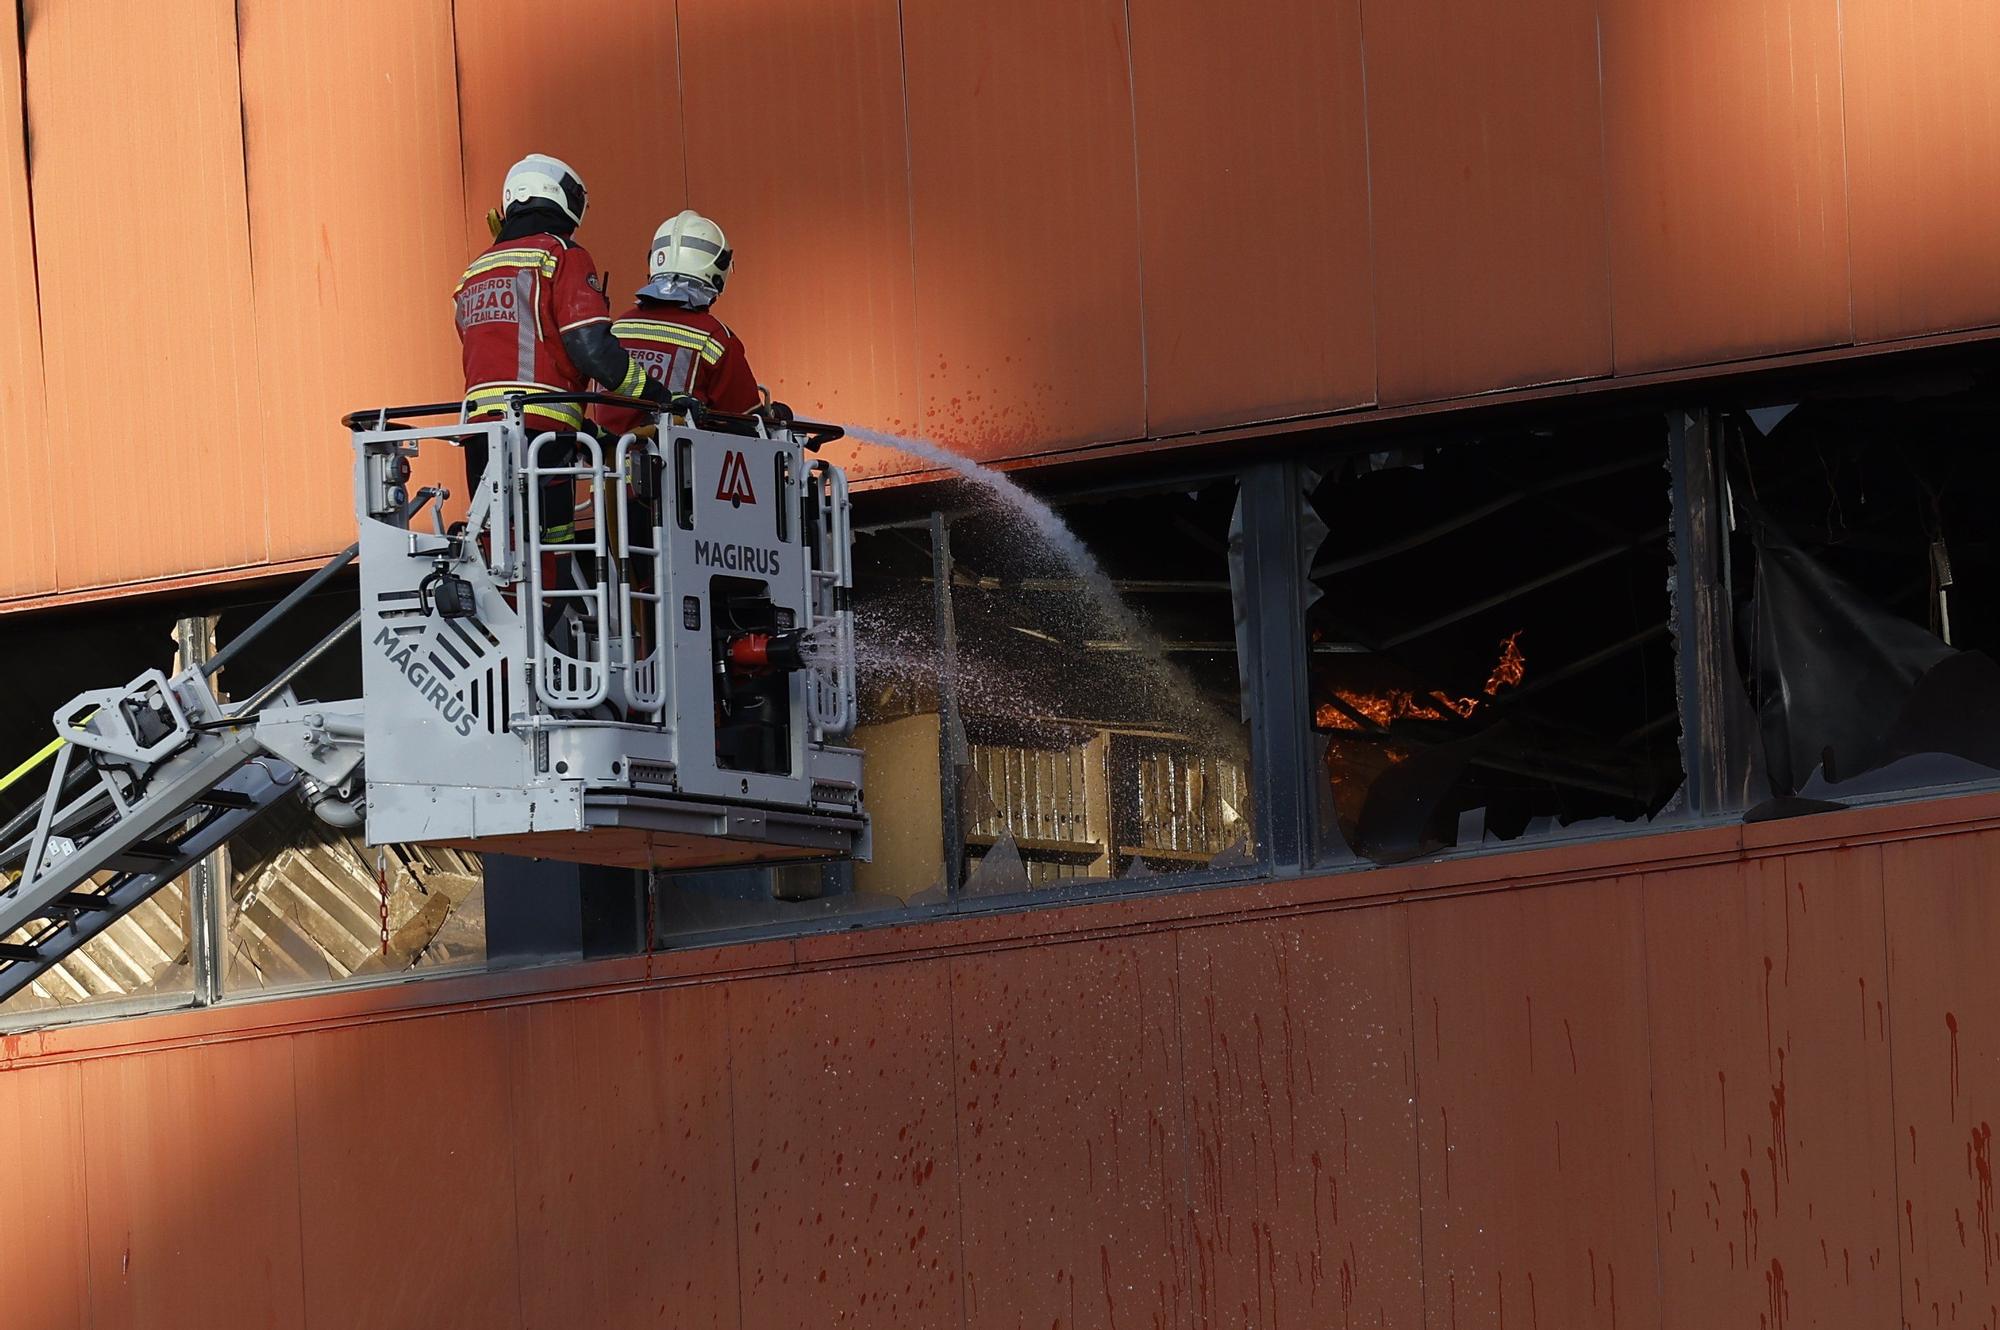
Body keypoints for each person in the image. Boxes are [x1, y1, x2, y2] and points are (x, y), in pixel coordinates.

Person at [453, 153, 668, 498]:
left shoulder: (475, 270)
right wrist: (654, 397)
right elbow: (590, 347)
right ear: (560, 196)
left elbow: (498, 356)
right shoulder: (560, 253)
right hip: (541, 433)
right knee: (550, 541)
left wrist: (589, 428)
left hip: (480, 432)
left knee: (499, 540)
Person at [596, 209, 762, 436]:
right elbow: (745, 420)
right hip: (680, 467)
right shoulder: (713, 337)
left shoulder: (619, 326)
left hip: (608, 464)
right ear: (717, 271)